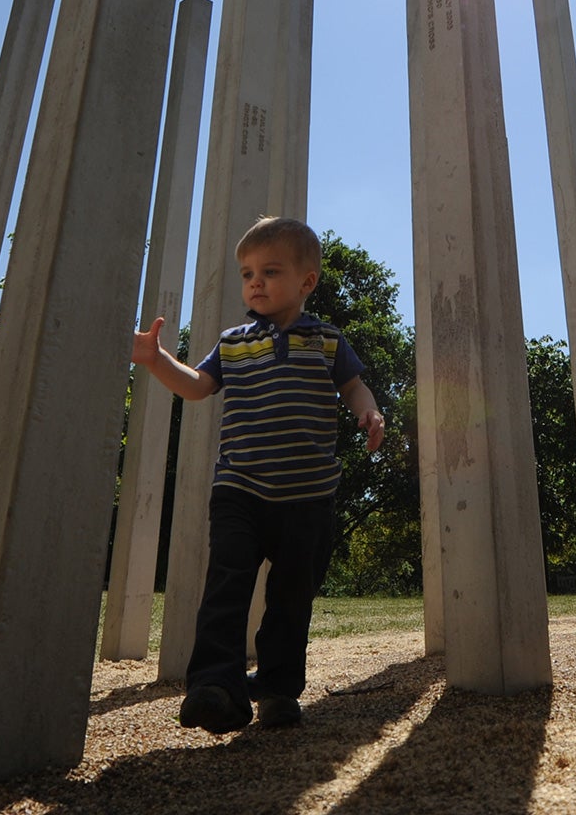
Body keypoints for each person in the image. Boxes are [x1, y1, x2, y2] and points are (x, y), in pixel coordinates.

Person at [129, 214, 385, 732]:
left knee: (292, 599)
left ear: (306, 281)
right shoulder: (233, 341)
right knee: (226, 587)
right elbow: (198, 386)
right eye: (247, 273)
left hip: (309, 497)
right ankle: (216, 687)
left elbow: (354, 387)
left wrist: (369, 411)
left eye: (270, 272)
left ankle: (277, 690)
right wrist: (157, 362)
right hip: (240, 490)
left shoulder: (327, 342)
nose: (255, 283)